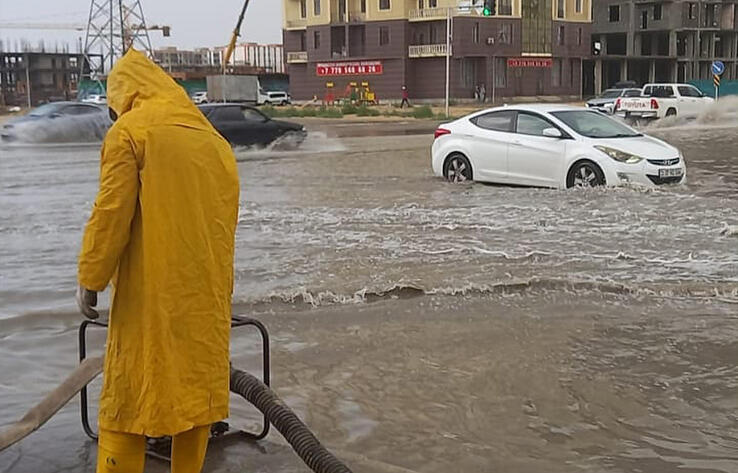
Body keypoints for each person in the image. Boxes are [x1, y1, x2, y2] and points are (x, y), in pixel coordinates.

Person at [76, 49, 240, 473]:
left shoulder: (131, 133)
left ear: (124, 95)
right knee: (195, 397)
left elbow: (110, 215)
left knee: (128, 397)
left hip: (151, 297)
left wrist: (90, 277)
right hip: (205, 298)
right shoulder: (215, 143)